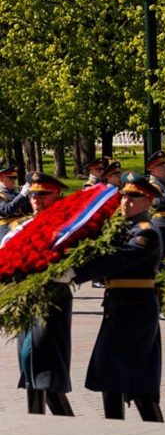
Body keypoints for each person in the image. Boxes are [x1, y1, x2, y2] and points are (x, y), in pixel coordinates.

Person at [69, 172, 165, 421]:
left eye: (133, 198)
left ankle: (155, 428)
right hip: (119, 308)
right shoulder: (122, 230)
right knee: (110, 375)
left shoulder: (147, 233)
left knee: (137, 378)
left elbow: (117, 259)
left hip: (137, 310)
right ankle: (115, 427)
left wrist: (75, 272)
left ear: (147, 202)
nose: (125, 202)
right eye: (124, 196)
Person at [15, 173, 74, 416]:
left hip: (52, 299)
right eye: (33, 195)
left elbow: (75, 263)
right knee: (29, 364)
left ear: (57, 195)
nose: (36, 200)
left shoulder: (67, 226)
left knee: (39, 359)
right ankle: (38, 419)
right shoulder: (23, 226)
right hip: (26, 299)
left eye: (42, 195)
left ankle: (61, 422)